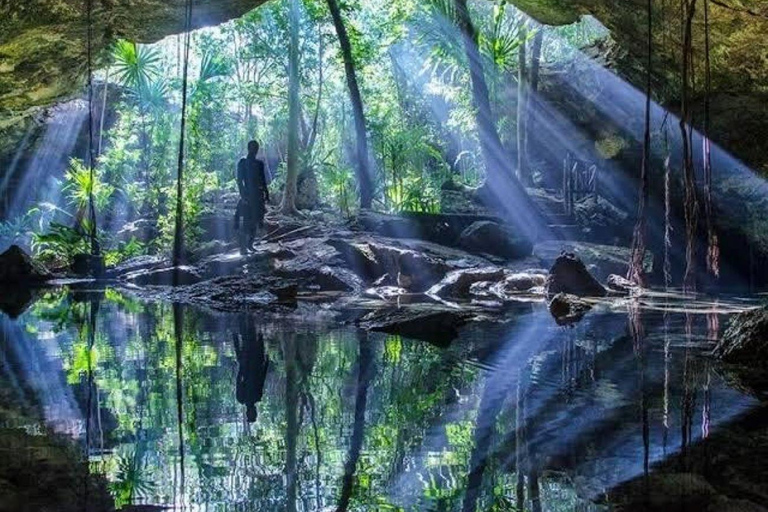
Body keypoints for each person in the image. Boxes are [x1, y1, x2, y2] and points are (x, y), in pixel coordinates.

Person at [233, 314, 270, 423]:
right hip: (252, 363)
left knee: (248, 338)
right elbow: (261, 379)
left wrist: (266, 364)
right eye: (254, 413)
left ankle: (244, 315)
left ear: (249, 412)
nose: (253, 411)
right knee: (249, 337)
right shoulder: (251, 397)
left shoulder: (243, 398)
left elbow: (239, 380)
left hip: (251, 363)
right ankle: (246, 315)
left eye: (252, 413)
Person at [236, 141, 270, 255]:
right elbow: (239, 181)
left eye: (256, 148)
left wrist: (267, 193)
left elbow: (263, 180)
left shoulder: (259, 164)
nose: (254, 150)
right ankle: (243, 247)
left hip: (258, 195)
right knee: (246, 221)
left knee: (256, 220)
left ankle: (250, 245)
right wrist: (243, 195)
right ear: (248, 148)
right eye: (252, 148)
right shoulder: (242, 163)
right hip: (248, 195)